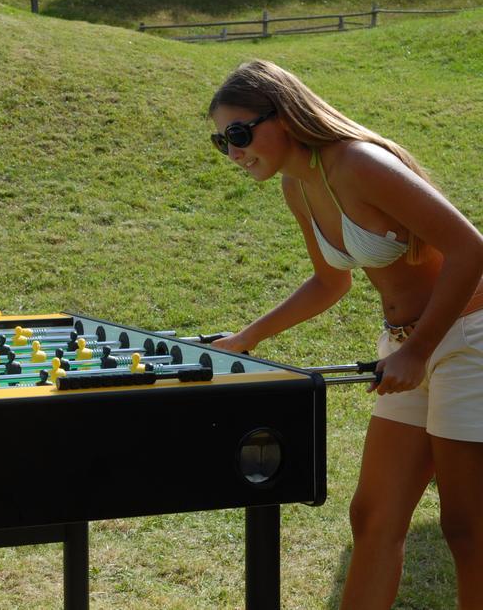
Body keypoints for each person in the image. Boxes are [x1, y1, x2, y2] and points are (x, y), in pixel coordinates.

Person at [207, 59, 483, 610]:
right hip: (407, 347)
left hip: (468, 341)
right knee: (373, 517)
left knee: (467, 525)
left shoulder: (358, 163)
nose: (234, 151)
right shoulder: (298, 186)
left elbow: (471, 249)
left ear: (283, 116)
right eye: (222, 141)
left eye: (239, 133)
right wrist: (247, 337)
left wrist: (420, 348)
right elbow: (330, 283)